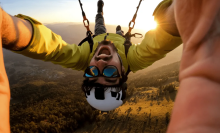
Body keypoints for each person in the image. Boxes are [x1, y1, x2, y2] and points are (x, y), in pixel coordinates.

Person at [1, 0, 220, 132]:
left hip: (97, 37)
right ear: (124, 73)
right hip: (118, 42)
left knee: (98, 24)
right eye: (109, 73)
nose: (100, 63)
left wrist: (7, 29)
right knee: (118, 35)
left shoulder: (83, 58)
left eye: (92, 72)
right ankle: (118, 32)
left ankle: (100, 10)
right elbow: (162, 38)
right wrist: (186, 12)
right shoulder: (135, 59)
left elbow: (49, 48)